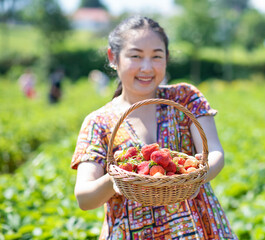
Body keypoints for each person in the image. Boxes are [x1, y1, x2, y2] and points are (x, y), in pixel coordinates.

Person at [71, 16, 237, 239]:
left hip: (197, 228)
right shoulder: (98, 122)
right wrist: (118, 178)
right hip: (132, 232)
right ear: (113, 57)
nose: (147, 68)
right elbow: (84, 197)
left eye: (156, 56)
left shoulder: (185, 98)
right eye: (135, 56)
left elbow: (215, 152)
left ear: (167, 58)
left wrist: (197, 174)